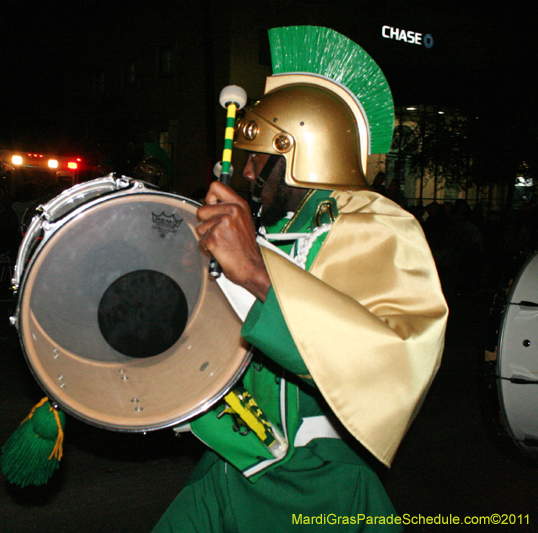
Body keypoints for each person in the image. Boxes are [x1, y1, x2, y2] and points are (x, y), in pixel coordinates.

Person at [152, 26, 448, 532]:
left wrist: (255, 273)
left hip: (324, 488)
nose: (246, 172)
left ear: (299, 155)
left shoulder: (378, 227)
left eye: (258, 158)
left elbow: (393, 361)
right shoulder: (273, 228)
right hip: (231, 469)